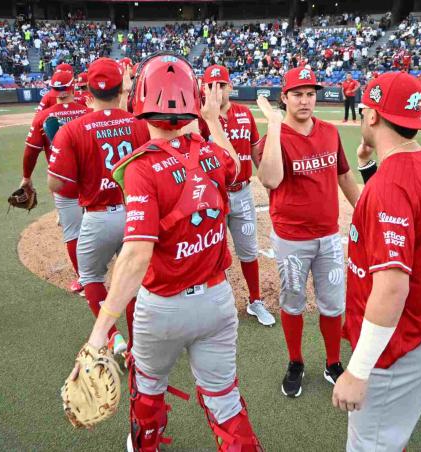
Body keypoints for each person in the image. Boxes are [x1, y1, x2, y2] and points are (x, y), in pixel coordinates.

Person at [67, 53, 263, 451]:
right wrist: (211, 120)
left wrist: (99, 332)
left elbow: (137, 254)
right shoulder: (211, 154)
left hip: (162, 309)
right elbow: (235, 168)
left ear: (140, 100)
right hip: (216, 301)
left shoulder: (140, 167)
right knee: (225, 401)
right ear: (193, 100)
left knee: (149, 391)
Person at [332, 72, 421, 451]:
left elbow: (392, 285)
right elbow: (404, 215)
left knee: (370, 445)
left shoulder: (391, 185)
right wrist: (369, 169)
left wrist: (359, 368)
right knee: (391, 437)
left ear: (371, 116)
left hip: (399, 339)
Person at [255, 66, 361, 398]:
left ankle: (332, 363)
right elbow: (270, 179)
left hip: (328, 236)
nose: (305, 101)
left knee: (332, 303)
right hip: (290, 238)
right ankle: (296, 361)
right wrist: (273, 126)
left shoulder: (330, 131)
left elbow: (344, 176)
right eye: (297, 94)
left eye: (310, 94)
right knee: (292, 302)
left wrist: (365, 211)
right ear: (284, 98)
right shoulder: (270, 139)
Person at [47, 58, 150, 355]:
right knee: (132, 278)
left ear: (87, 92)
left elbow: (57, 184)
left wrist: (85, 175)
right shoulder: (139, 124)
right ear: (122, 90)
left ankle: (113, 335)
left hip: (98, 216)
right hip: (136, 213)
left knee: (91, 277)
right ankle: (136, 346)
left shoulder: (72, 129)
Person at [199, 64, 275, 326]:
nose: (217, 90)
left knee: (248, 250)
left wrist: (268, 183)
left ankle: (255, 301)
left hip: (242, 192)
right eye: (211, 85)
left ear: (231, 86)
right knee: (213, 252)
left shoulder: (244, 114)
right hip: (213, 195)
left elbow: (256, 155)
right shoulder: (200, 118)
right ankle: (218, 303)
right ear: (204, 88)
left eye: (222, 85)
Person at [20, 70, 89, 294]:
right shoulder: (87, 112)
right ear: (72, 87)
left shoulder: (44, 116)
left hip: (63, 181)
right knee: (96, 222)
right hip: (91, 178)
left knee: (72, 232)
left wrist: (26, 177)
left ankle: (84, 278)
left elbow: (31, 152)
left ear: (54, 90)